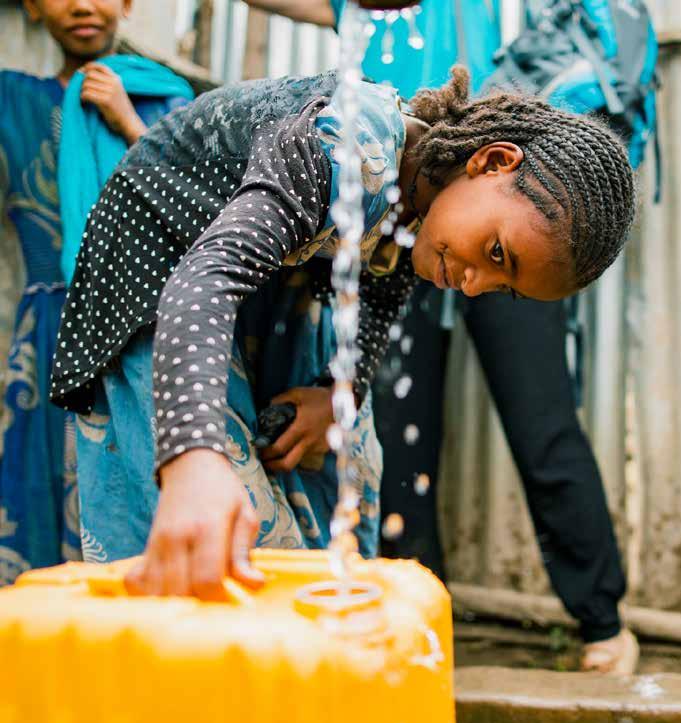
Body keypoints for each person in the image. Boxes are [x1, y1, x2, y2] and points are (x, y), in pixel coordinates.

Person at [49, 57, 635, 616]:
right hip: (161, 287)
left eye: (504, 286)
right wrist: (192, 456)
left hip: (269, 295)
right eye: (497, 253)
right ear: (491, 161)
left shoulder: (427, 212)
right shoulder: (349, 148)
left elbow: (380, 291)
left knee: (344, 463)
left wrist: (337, 393)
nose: (476, 285)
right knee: (218, 527)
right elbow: (206, 278)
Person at [245, 0, 640, 675]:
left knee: (540, 419)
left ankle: (600, 619)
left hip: (500, 220)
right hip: (401, 220)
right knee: (400, 424)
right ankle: (415, 612)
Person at [0, 0, 193, 586]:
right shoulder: (12, 101)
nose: (83, 4)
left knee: (135, 491)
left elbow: (196, 207)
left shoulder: (169, 100)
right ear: (32, 8)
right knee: (38, 493)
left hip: (136, 330)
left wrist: (128, 123)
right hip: (46, 337)